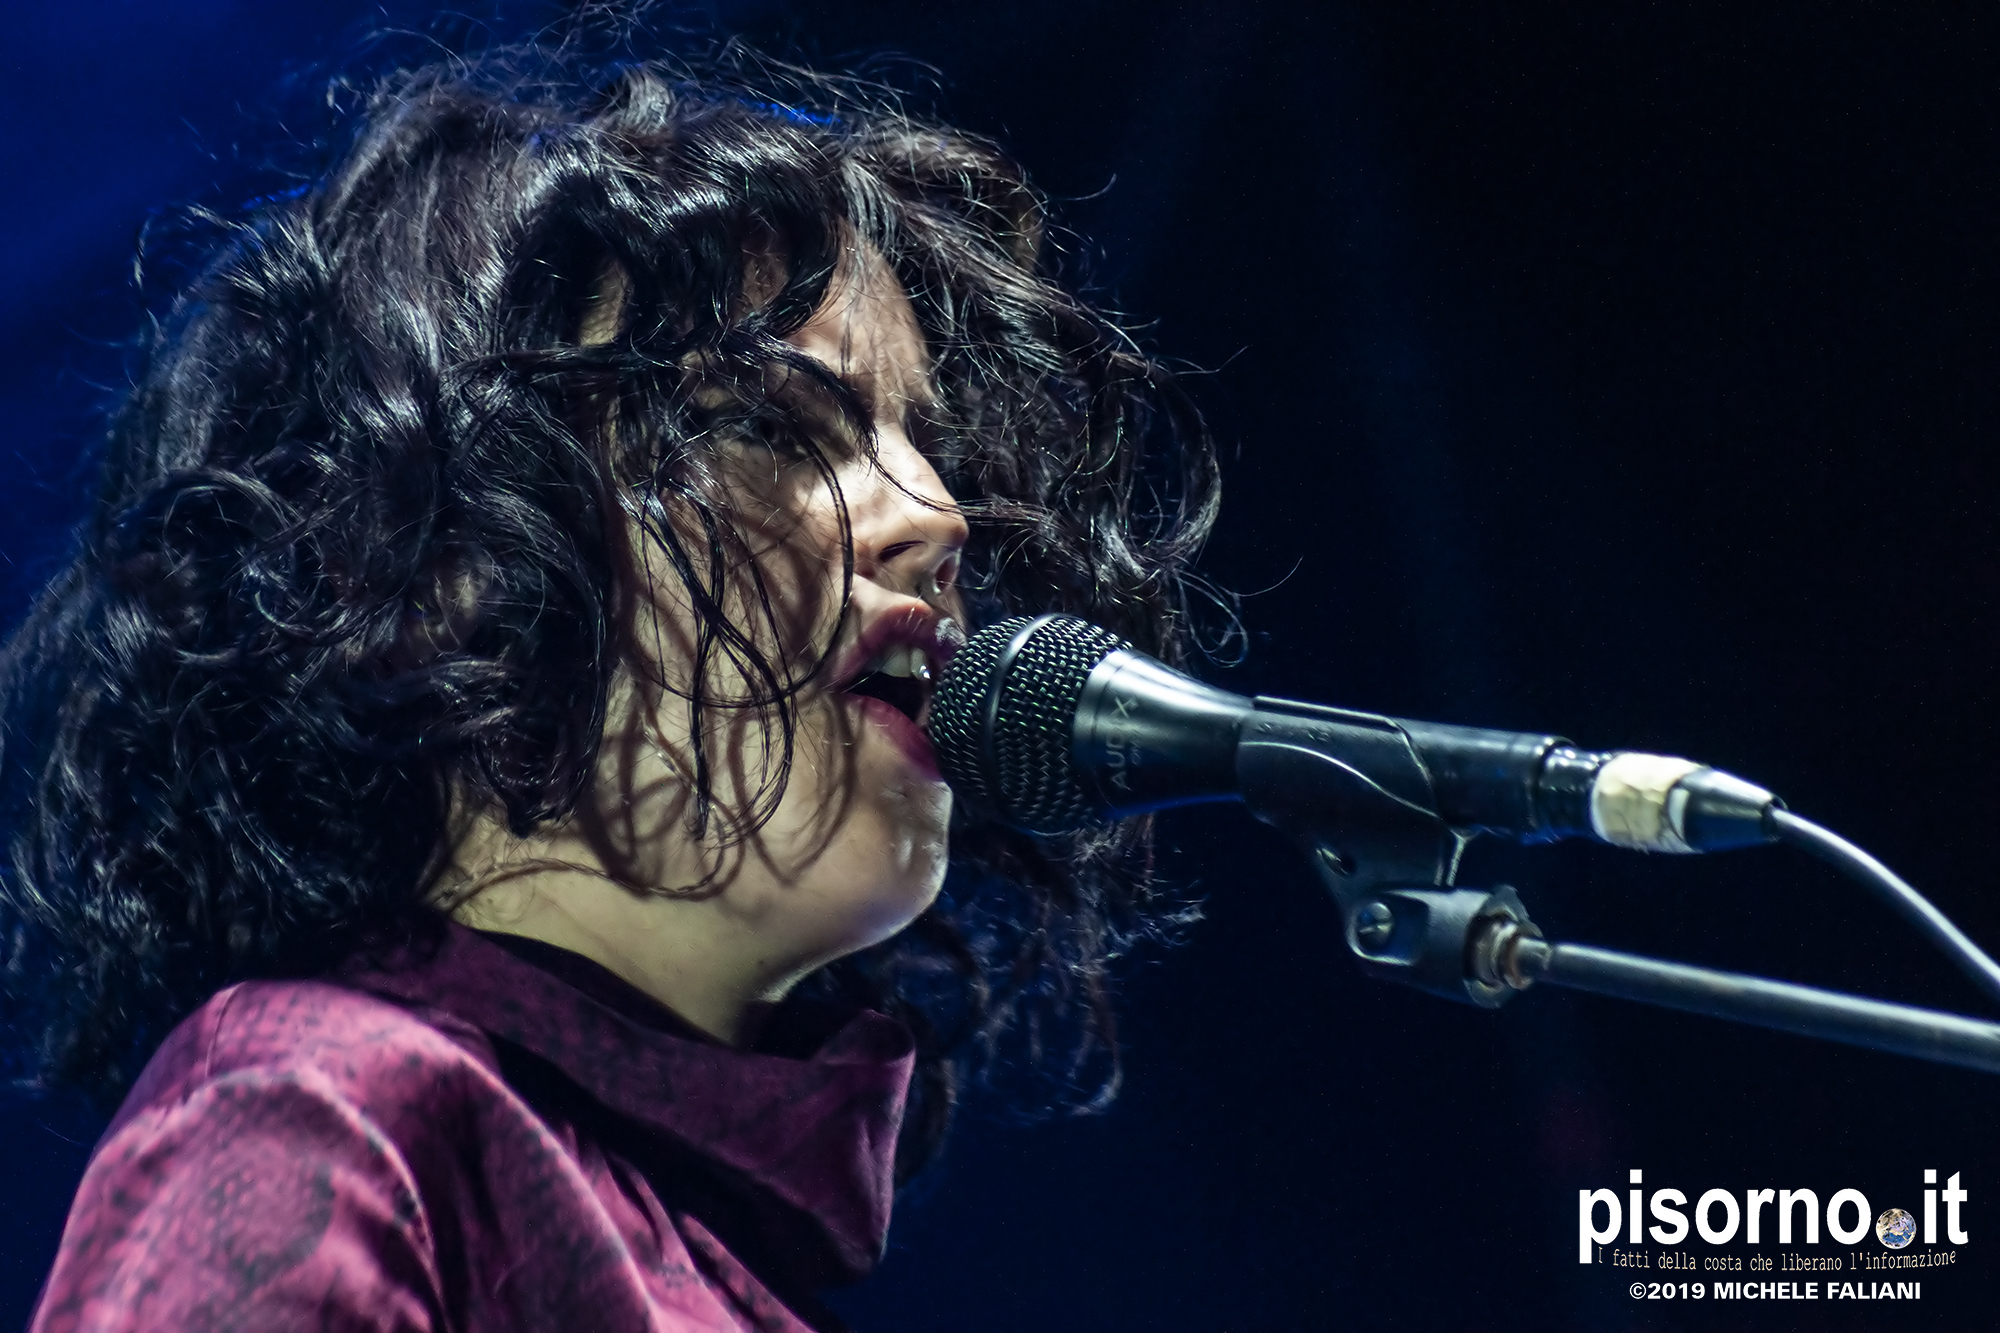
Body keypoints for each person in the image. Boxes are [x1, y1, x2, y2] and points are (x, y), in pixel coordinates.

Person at [0, 35, 1218, 1332]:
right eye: (762, 424)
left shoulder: (699, 1250)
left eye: (921, 443)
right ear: (437, 574)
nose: (937, 515)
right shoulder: (322, 1112)